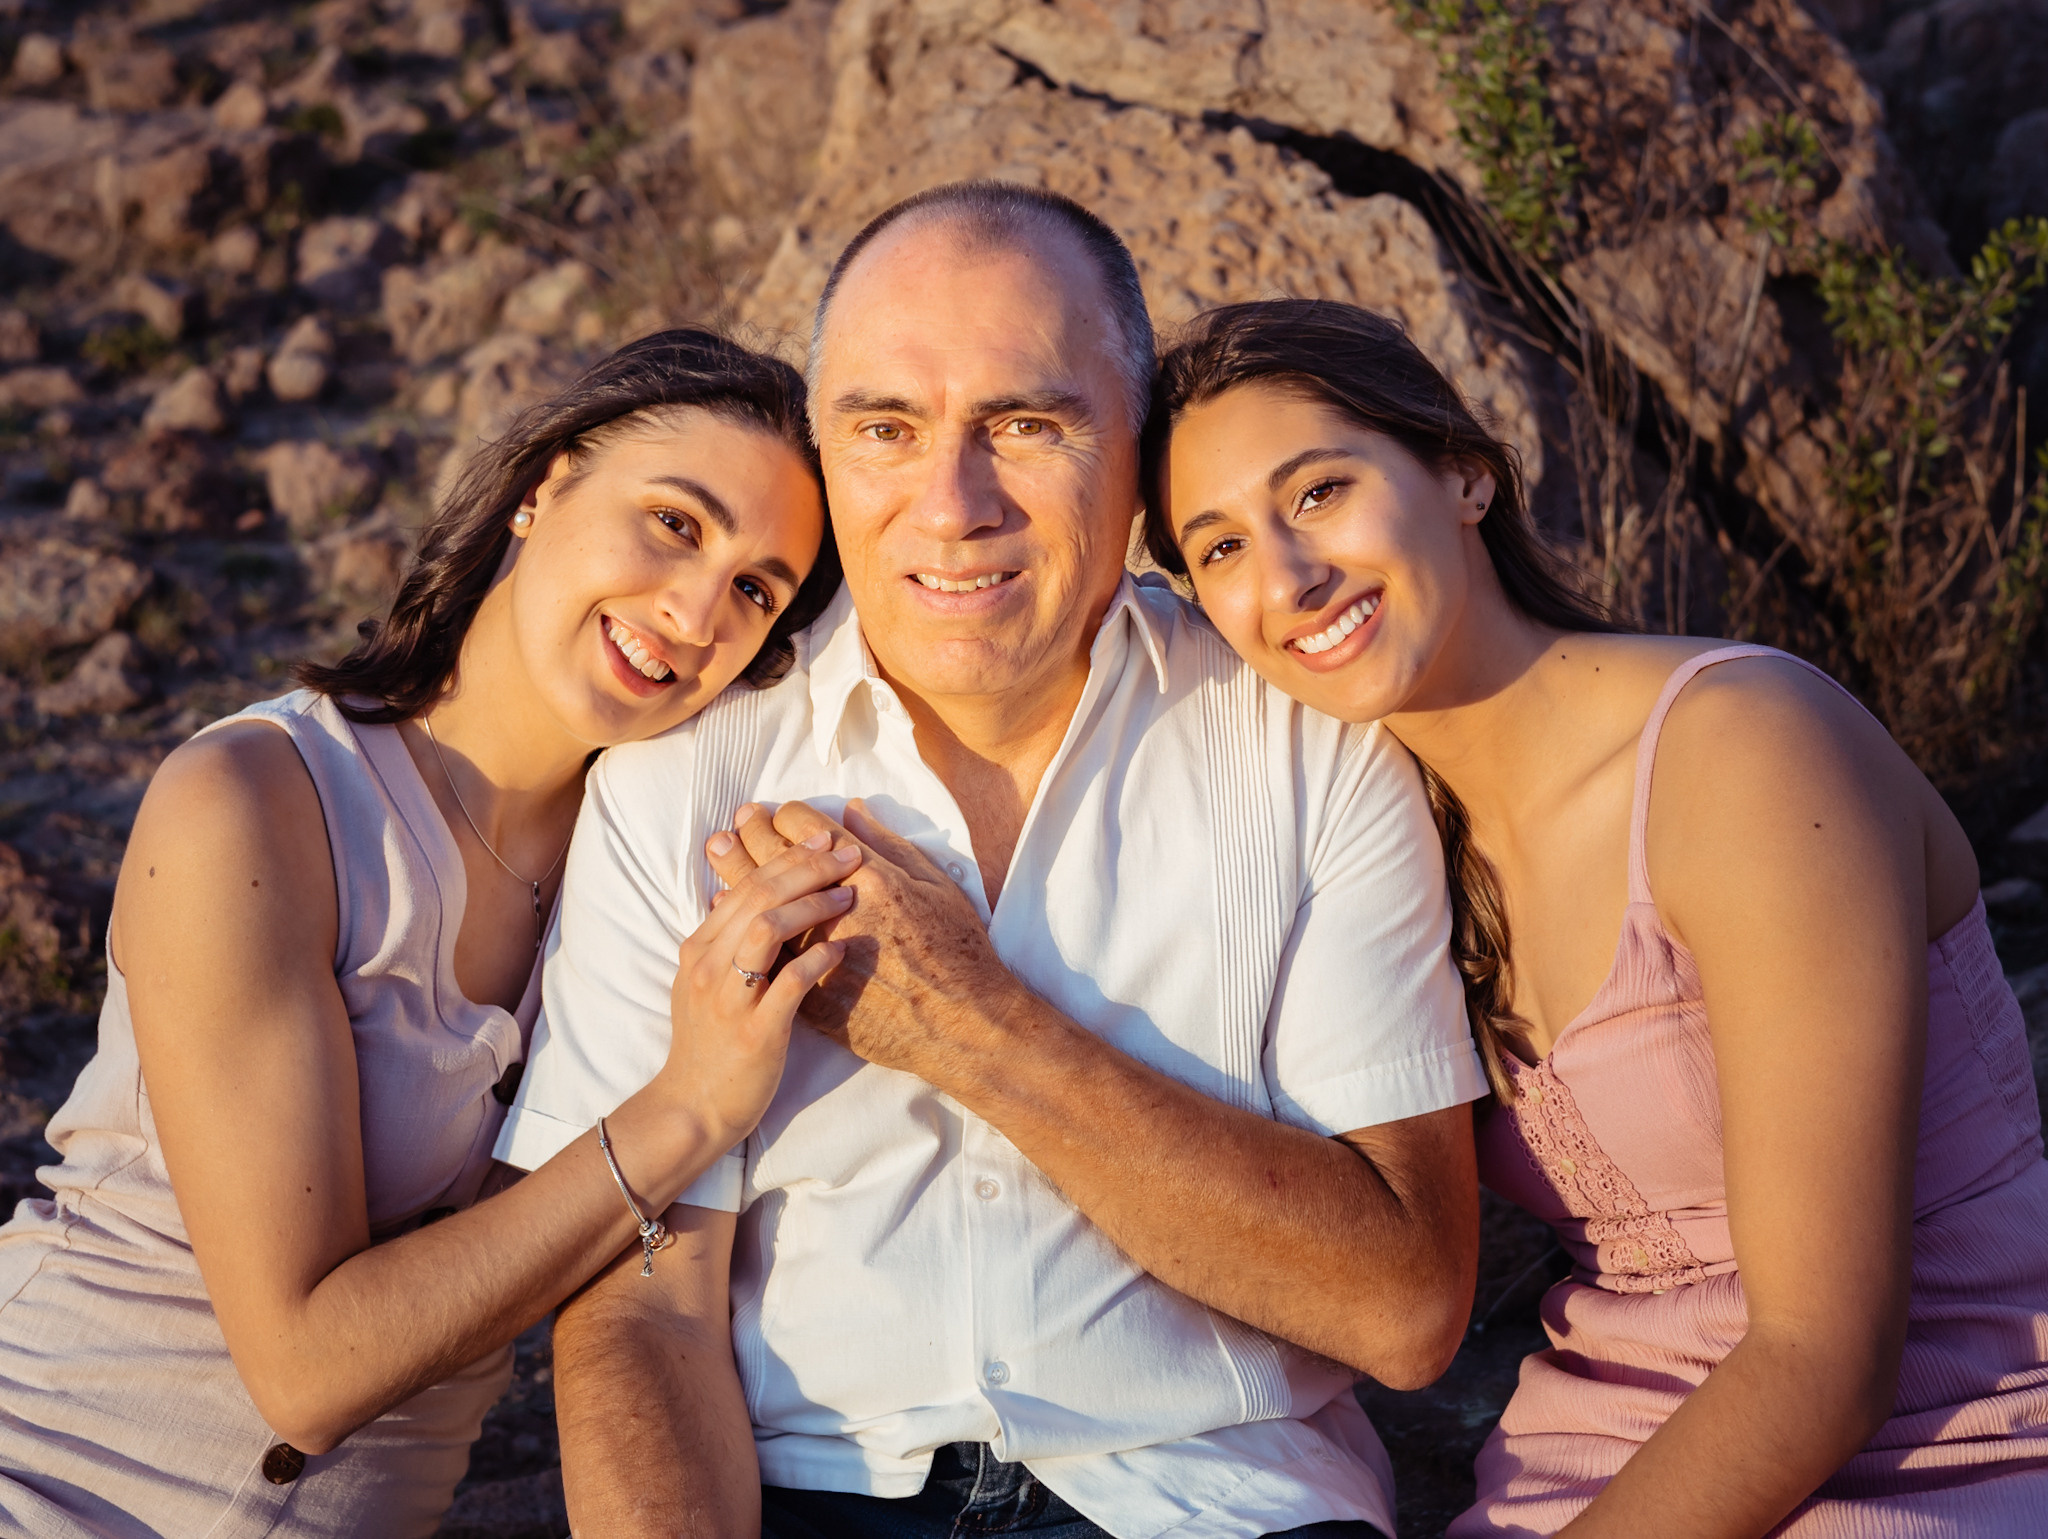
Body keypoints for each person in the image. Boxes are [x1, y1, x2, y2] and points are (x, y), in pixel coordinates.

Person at [497, 182, 1489, 1539]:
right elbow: (643, 1306)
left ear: (1134, 453)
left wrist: (968, 1025)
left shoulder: (1309, 740)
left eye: (1025, 426)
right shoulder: (685, 775)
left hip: (1211, 1496)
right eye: (886, 430)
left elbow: (1405, 1307)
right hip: (812, 1496)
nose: (952, 505)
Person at [1143, 296, 2048, 1537]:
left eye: (1317, 492)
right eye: (1219, 549)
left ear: (1462, 474)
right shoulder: (1376, 840)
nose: (1288, 578)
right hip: (1587, 1461)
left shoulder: (1740, 751)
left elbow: (1822, 1355)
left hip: (1944, 1443)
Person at [0, 329, 850, 1538]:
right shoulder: (257, 804)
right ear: (544, 486)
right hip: (48, 1485)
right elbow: (305, 1373)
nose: (693, 609)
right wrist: (686, 1111)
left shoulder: (655, 866)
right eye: (673, 523)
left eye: (757, 589)